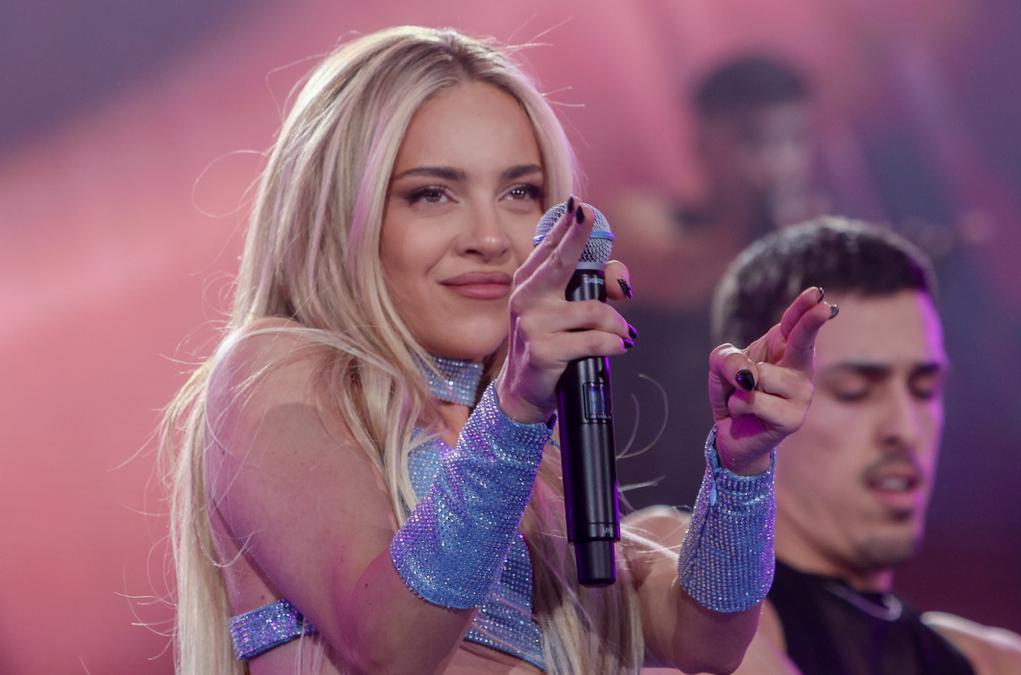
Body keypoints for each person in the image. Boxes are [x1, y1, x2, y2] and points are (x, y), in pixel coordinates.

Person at [161, 26, 836, 674]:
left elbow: (704, 639)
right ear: (341, 211)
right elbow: (391, 644)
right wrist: (515, 408)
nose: (490, 236)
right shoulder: (279, 369)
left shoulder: (532, 457)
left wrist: (742, 471)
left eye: (519, 192)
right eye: (432, 194)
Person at [639, 217, 1021, 674]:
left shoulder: (998, 664)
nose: (905, 428)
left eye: (923, 389)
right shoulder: (671, 573)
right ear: (755, 391)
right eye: (856, 389)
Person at [609, 55, 825, 512]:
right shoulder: (647, 221)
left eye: (793, 140)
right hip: (644, 499)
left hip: (763, 504)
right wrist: (765, 229)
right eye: (753, 140)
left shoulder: (809, 250)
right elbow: (671, 275)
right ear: (703, 145)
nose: (777, 162)